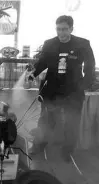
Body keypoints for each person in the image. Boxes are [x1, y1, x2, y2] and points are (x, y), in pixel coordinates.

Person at [28, 15, 95, 161]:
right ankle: (39, 145)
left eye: (65, 29)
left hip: (73, 90)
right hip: (52, 89)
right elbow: (42, 62)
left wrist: (82, 86)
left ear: (71, 28)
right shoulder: (49, 44)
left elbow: (89, 69)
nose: (61, 33)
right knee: (45, 120)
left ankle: (67, 150)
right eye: (58, 29)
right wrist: (33, 74)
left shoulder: (83, 44)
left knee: (72, 122)